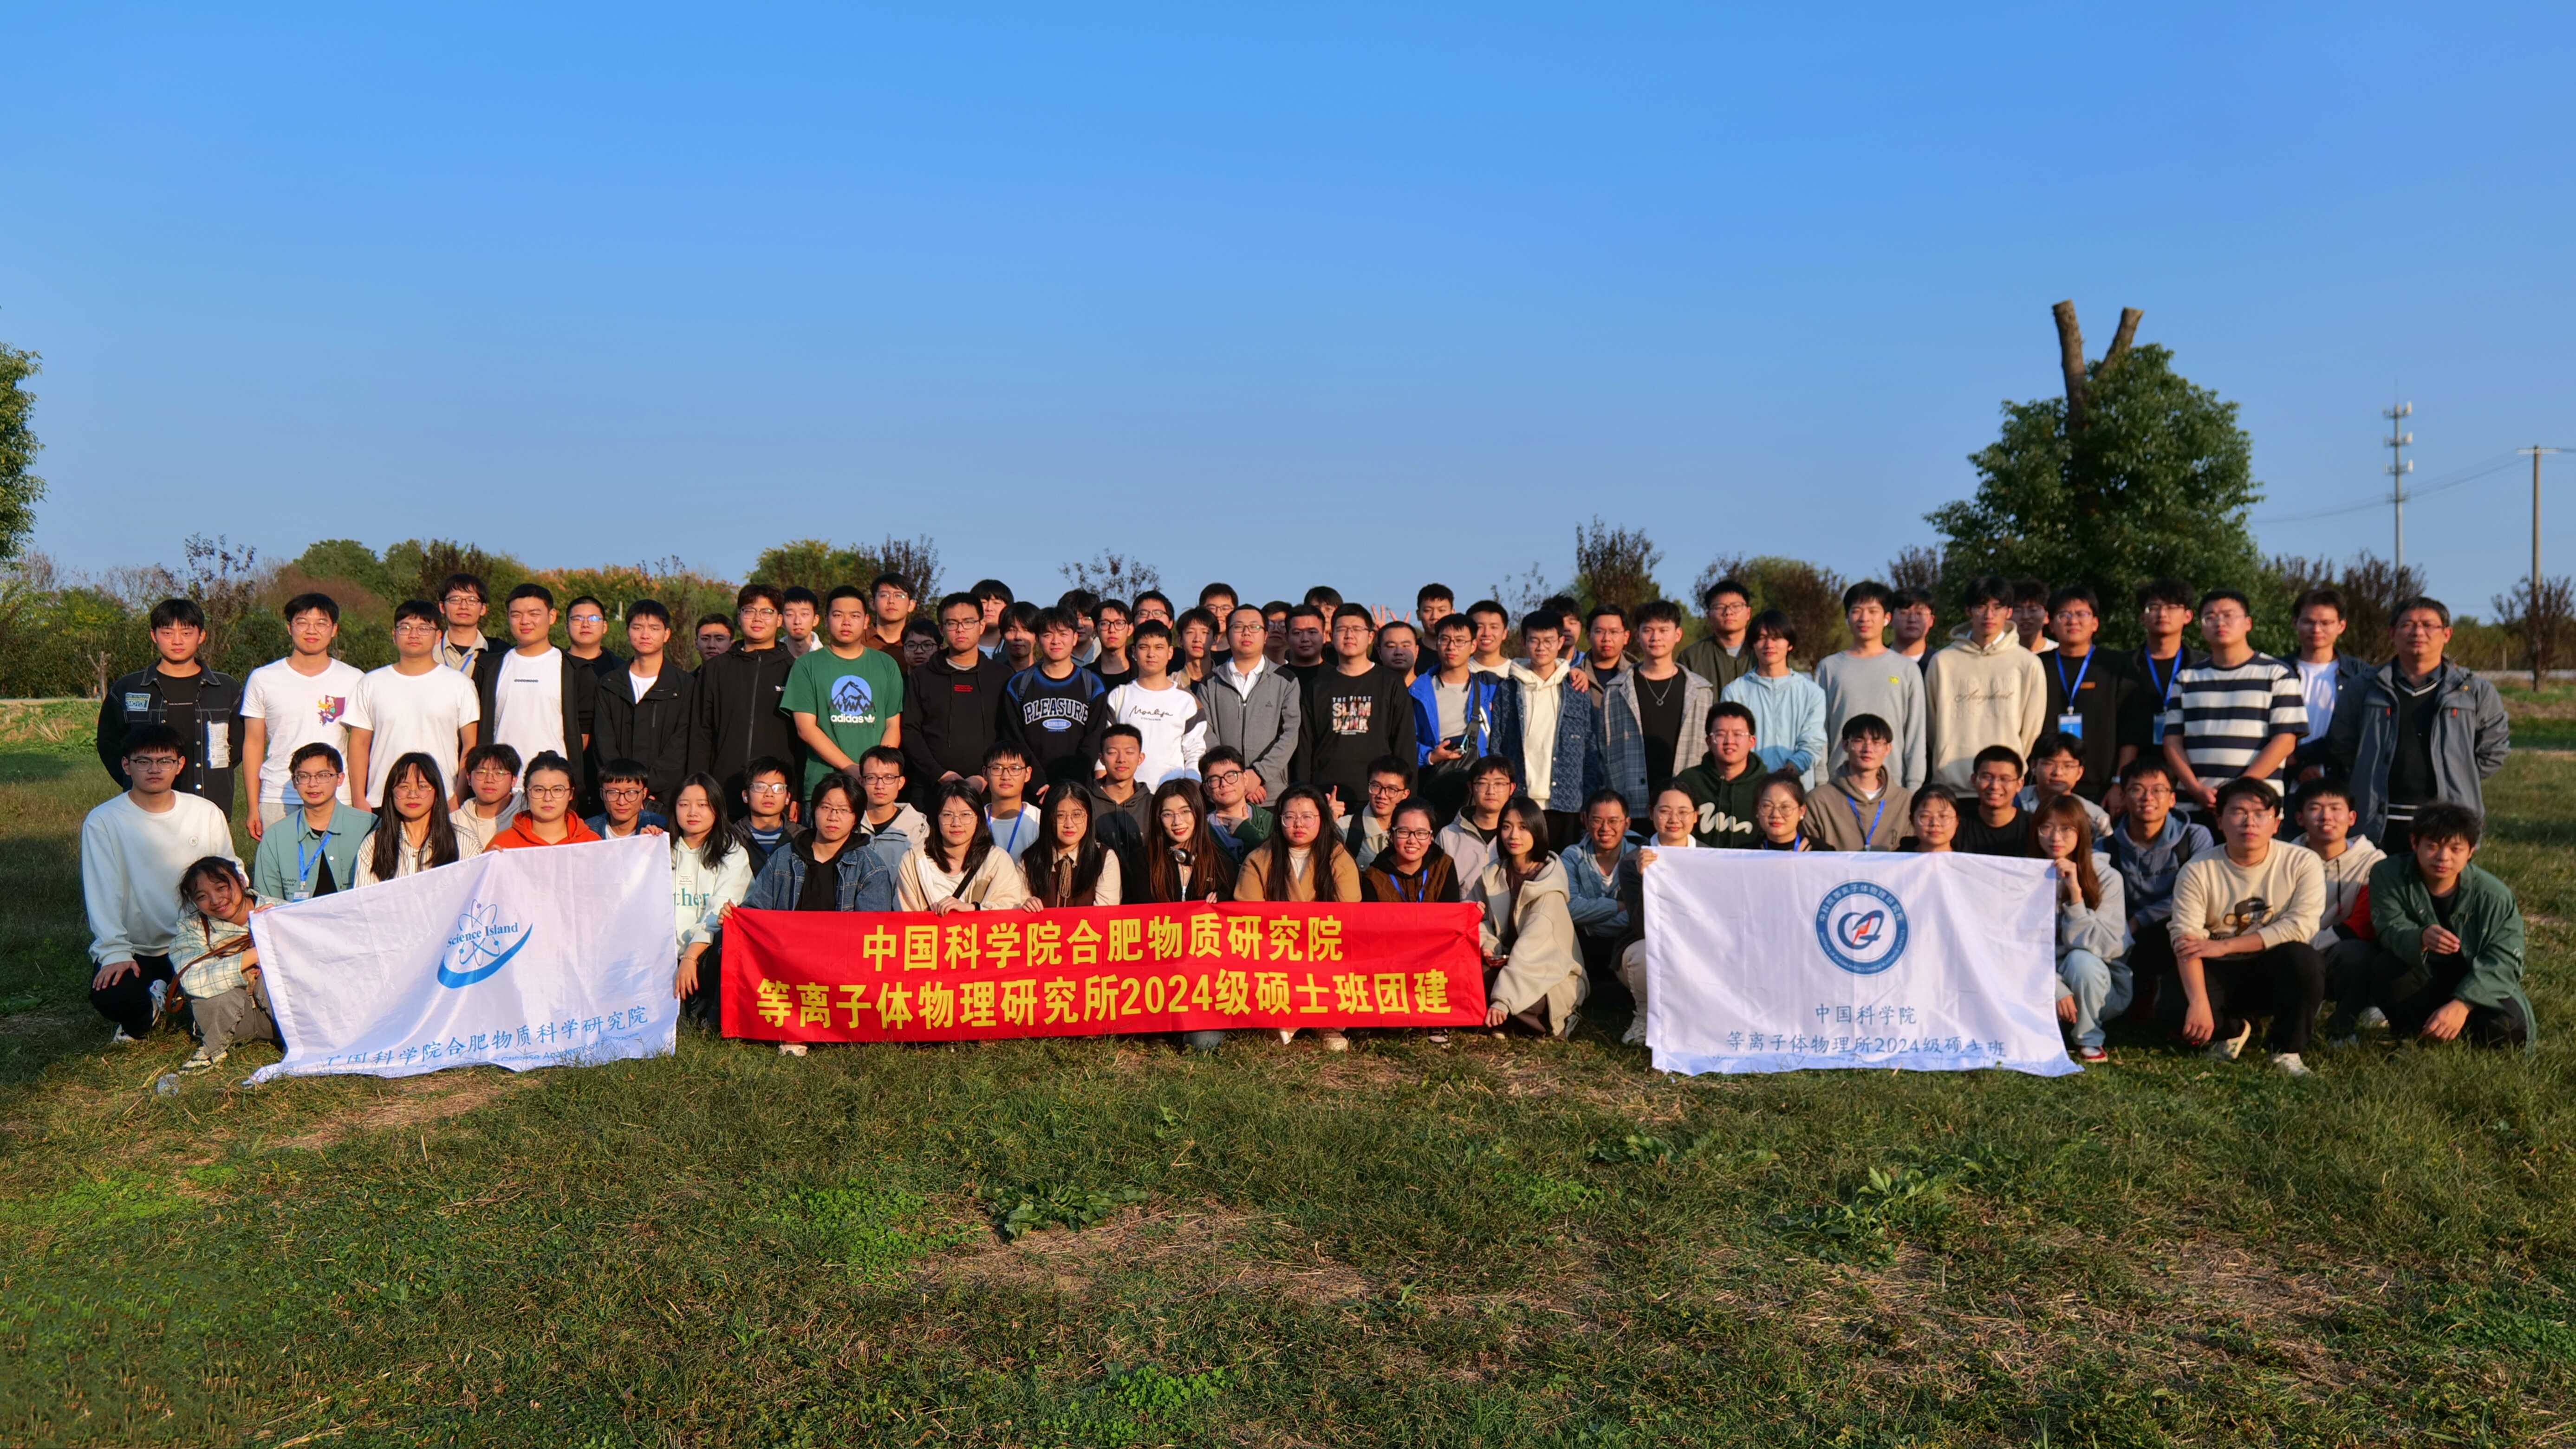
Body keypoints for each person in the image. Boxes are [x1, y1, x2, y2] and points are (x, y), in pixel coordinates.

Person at [83, 724, 238, 1046]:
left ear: (180, 765)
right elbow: (102, 892)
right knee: (112, 994)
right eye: (144, 761)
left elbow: (229, 876)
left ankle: (184, 999)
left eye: (165, 761)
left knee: (230, 989)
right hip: (138, 947)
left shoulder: (205, 813)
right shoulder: (104, 821)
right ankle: (147, 1012)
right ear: (126, 765)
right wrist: (114, 952)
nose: (155, 769)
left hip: (199, 940)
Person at [2339, 801, 2534, 1050]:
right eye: (2432, 846)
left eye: (2455, 849)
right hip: (2422, 976)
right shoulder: (2388, 875)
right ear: (2414, 843)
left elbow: (2505, 959)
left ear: (2471, 851)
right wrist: (2419, 938)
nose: (2443, 857)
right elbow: (2388, 929)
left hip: (2474, 981)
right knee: (2387, 967)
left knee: (2509, 1028)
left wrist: (2463, 1004)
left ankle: (2459, 1031)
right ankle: (2411, 1035)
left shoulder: (2494, 895)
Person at [2327, 596, 2511, 852]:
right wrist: (2369, 771)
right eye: (2408, 625)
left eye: (2428, 625)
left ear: (2447, 634)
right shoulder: (2364, 687)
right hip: (2376, 819)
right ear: (2393, 633)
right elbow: (2342, 744)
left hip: (2447, 818)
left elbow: (2494, 750)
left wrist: (2457, 772)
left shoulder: (2473, 691)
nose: (2418, 632)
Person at [2171, 777, 2328, 1076]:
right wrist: (2198, 1003)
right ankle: (2231, 1031)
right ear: (2219, 820)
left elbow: (2300, 927)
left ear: (2276, 823)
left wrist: (2224, 945)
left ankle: (2286, 1050)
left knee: (2305, 959)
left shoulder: (2302, 862)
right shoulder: (2197, 870)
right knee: (2176, 1003)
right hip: (2219, 968)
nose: (2249, 822)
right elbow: (2185, 938)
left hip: (2272, 966)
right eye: (2238, 812)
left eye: (2260, 814)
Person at [743, 773, 903, 1054]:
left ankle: (816, 1027)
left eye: (843, 810)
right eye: (826, 807)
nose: (833, 817)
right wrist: (738, 919)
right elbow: (757, 911)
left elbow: (871, 935)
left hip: (842, 966)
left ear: (856, 818)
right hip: (789, 963)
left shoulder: (871, 867)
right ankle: (794, 1027)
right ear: (814, 810)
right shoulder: (784, 857)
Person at [1236, 785, 1363, 1050]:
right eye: (1290, 817)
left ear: (1322, 819)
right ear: (1279, 820)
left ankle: (1323, 1022)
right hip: (1276, 951)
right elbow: (1248, 917)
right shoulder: (1259, 859)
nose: (1298, 825)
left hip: (1323, 950)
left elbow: (1350, 914)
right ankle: (1286, 1019)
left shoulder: (1339, 857)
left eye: (1307, 817)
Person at [98, 597, 247, 821]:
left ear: (201, 636)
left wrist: (214, 774)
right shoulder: (129, 688)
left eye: (186, 633)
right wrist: (139, 778)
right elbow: (109, 744)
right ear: (154, 635)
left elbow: (239, 745)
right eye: (167, 633)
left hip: (209, 805)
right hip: (145, 810)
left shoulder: (227, 688)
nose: (177, 641)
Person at [2160, 589, 2305, 814]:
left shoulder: (2277, 674)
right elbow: (2172, 742)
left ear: (2248, 623)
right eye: (2210, 617)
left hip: (2256, 806)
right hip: (2195, 804)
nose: (2220, 623)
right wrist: (2196, 789)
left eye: (2228, 616)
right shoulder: (2187, 678)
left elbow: (2285, 741)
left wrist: (2239, 790)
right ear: (2201, 627)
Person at [241, 592, 369, 841]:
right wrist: (253, 806)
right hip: (279, 795)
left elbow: (360, 744)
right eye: (302, 622)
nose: (312, 630)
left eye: (321, 623)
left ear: (334, 630)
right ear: (289, 628)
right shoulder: (263, 679)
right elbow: (254, 743)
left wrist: (358, 799)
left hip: (337, 796)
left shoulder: (354, 679)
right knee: (281, 864)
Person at [1467, 797, 1588, 1038]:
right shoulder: (1492, 874)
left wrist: (1503, 999)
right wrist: (1488, 944)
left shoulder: (1549, 885)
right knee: (1471, 975)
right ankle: (1508, 1021)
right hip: (1507, 964)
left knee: (1534, 1000)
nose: (1514, 835)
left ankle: (1518, 1017)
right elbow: (1476, 917)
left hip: (1548, 973)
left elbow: (1532, 950)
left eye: (1523, 827)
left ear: (1537, 831)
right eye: (1506, 827)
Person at [349, 600, 482, 812]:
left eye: (424, 628)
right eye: (406, 628)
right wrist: (359, 799)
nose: (414, 635)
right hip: (382, 799)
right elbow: (359, 743)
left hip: (441, 799)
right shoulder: (371, 683)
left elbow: (470, 745)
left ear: (438, 636)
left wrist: (457, 797)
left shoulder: (460, 684)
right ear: (394, 635)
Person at [2107, 759, 2211, 1028]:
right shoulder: (2105, 846)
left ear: (2173, 799)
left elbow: (2199, 895)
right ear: (2123, 796)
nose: (2148, 798)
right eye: (2137, 789)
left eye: (2158, 790)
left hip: (2180, 926)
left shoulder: (2195, 837)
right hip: (2125, 933)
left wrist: (2140, 919)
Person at [474, 584, 597, 803]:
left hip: (553, 791)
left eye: (534, 614)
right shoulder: (488, 667)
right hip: (499, 788)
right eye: (516, 614)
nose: (525, 621)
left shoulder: (577, 670)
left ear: (552, 616)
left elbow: (584, 735)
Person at [785, 585, 907, 799]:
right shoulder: (806, 665)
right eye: (838, 615)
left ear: (866, 621)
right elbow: (806, 729)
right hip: (824, 786)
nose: (846, 622)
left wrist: (875, 772)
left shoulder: (886, 665)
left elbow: (892, 725)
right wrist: (852, 768)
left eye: (855, 616)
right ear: (826, 620)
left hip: (875, 788)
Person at [1925, 575, 2046, 793]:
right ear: (1968, 611)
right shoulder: (1942, 662)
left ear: (2009, 612)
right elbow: (1932, 726)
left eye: (1997, 608)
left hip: (2004, 789)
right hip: (1950, 786)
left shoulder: (2028, 663)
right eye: (1981, 606)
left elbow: (2032, 730)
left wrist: (2009, 770)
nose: (1989, 615)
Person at [2033, 795, 2128, 1064]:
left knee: (2081, 960)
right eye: (2046, 827)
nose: (2056, 837)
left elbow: (2108, 947)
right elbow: (2015, 947)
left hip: (2098, 989)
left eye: (2067, 829)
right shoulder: (2024, 876)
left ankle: (2089, 1038)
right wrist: (2055, 987)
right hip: (2040, 984)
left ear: (2082, 833)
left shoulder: (2108, 878)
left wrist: (2076, 897)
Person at [163, 855, 280, 1072]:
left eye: (221, 888)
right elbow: (193, 980)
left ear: (241, 881)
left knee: (273, 976)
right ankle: (213, 1049)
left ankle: (302, 1040)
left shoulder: (278, 910)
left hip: (282, 1017)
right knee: (210, 991)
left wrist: (279, 930)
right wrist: (255, 955)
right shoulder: (191, 928)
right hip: (229, 1024)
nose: (216, 900)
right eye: (202, 896)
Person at [2036, 585, 2146, 812]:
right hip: (2044, 784)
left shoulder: (2117, 666)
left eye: (2082, 614)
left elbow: (2131, 732)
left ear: (2095, 623)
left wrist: (2119, 783)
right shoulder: (2036, 665)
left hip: (2103, 786)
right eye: (2064, 615)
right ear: (2051, 625)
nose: (2073, 621)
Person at [689, 584, 800, 807]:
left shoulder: (794, 670)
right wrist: (699, 787)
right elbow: (701, 733)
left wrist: (795, 793)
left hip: (775, 792)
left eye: (767, 612)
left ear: (780, 619)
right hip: (722, 789)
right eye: (749, 611)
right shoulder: (716, 669)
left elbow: (800, 741)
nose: (757, 618)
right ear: (739, 617)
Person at [903, 592, 1013, 811]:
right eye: (952, 623)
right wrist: (941, 775)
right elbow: (910, 730)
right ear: (942, 629)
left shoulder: (1002, 676)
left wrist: (985, 777)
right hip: (929, 789)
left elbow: (1009, 733)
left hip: (987, 789)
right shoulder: (922, 676)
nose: (960, 629)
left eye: (968, 622)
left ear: (981, 626)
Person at [1408, 612, 1523, 820]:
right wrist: (1431, 756)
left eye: (1460, 641)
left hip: (1482, 784)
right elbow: (1405, 742)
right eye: (1445, 640)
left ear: (1473, 646)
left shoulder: (1492, 687)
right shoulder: (1419, 691)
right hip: (1435, 783)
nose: (1451, 647)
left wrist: (1575, 672)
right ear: (1437, 644)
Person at [1303, 605, 1418, 812]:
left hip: (1379, 797)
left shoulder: (1390, 683)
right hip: (1327, 797)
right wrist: (1306, 796)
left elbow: (1405, 744)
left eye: (1357, 629)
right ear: (1331, 636)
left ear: (1371, 636)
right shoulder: (1316, 686)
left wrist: (1406, 802)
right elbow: (1305, 747)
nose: (1349, 635)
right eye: (1342, 629)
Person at [1600, 599, 1711, 814]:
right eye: (1648, 630)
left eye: (1663, 630)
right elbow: (1604, 750)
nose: (1655, 637)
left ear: (1678, 634)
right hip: (1630, 805)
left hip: (1684, 808)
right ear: (1637, 635)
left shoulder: (1701, 690)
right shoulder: (1616, 690)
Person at [1814, 582, 1926, 792]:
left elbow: (1916, 734)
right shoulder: (1829, 668)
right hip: (1838, 784)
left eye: (1873, 611)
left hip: (1892, 786)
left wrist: (1914, 787)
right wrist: (1821, 781)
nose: (1864, 618)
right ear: (1847, 618)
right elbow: (1819, 730)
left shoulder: (1906, 669)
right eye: (1857, 611)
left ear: (1887, 618)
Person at [2295, 780, 2386, 1034]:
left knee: (2356, 952)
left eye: (2336, 808)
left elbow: (2362, 924)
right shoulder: (2284, 858)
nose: (2326, 817)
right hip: (2294, 948)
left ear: (2352, 818)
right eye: (2315, 808)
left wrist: (2314, 947)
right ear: (2300, 818)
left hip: (2339, 949)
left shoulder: (2373, 862)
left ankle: (2346, 1023)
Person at [589, 598, 694, 816]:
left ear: (667, 634)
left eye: (654, 628)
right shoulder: (609, 684)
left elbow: (681, 746)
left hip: (665, 799)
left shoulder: (685, 686)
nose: (645, 635)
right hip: (616, 798)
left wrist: (647, 789)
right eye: (638, 627)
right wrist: (626, 790)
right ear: (628, 631)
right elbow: (603, 743)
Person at [1510, 609, 1605, 848]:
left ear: (1561, 642)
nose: (1541, 648)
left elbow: (1590, 748)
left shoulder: (1576, 689)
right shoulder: (1508, 688)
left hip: (1568, 802)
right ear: (1523, 642)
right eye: (1534, 640)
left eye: (1549, 641)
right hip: (1522, 799)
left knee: (1564, 866)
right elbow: (1499, 744)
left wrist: (1589, 799)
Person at [667, 773, 753, 1028]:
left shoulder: (732, 853)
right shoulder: (661, 848)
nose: (692, 812)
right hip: (663, 954)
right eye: (684, 804)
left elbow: (719, 911)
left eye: (703, 805)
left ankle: (709, 1014)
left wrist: (690, 957)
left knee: (727, 936)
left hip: (705, 954)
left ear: (717, 809)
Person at [1616, 791, 1703, 1044]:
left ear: (1696, 816)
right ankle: (1645, 1016)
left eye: (1683, 812)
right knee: (1644, 954)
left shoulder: (1711, 858)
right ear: (1651, 813)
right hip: (1650, 943)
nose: (1674, 819)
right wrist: (1647, 880)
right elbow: (1640, 927)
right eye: (1665, 811)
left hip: (1698, 945)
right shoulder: (1633, 861)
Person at [1196, 605, 1302, 803]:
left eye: (1254, 627)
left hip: (1270, 794)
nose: (1246, 633)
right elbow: (1206, 733)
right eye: (1238, 627)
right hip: (1223, 792)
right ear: (1228, 635)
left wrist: (1258, 775)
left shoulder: (1286, 680)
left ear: (1265, 635)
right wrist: (1232, 778)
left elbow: (1290, 734)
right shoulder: (1210, 683)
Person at [1000, 606, 1111, 793]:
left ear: (1075, 638)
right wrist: (1038, 783)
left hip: (1076, 790)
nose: (1056, 641)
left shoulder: (1093, 684)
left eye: (1063, 634)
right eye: (1048, 634)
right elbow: (1014, 738)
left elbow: (1094, 741)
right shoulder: (1018, 684)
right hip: (1030, 790)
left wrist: (1067, 787)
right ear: (1037, 639)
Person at [250, 743, 374, 901]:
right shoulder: (276, 837)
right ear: (294, 782)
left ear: (340, 779)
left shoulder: (369, 827)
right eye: (304, 776)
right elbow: (268, 901)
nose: (313, 784)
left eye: (323, 776)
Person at [1721, 610, 1828, 788]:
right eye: (1762, 638)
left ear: (1790, 644)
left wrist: (1792, 769)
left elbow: (1813, 742)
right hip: (1747, 789)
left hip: (1796, 789)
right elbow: (1731, 742)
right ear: (1753, 644)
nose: (1769, 644)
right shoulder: (1735, 691)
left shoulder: (1812, 693)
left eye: (1777, 638)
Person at [896, 780, 1034, 912]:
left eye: (966, 815)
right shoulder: (913, 861)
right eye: (948, 815)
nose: (956, 823)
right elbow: (906, 918)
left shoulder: (998, 861)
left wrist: (973, 909)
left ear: (978, 819)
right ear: (936, 818)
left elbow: (1010, 909)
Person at [1106, 620, 1209, 786]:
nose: (1151, 654)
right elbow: (1106, 749)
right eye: (1144, 647)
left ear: (1170, 652)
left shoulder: (1187, 701)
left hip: (1172, 795)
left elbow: (1195, 752)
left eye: (1159, 647)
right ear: (1134, 652)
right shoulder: (1119, 696)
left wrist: (1190, 791)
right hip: (1127, 794)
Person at [2288, 587, 2370, 785]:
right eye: (2308, 622)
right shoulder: (2276, 670)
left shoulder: (2362, 675)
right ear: (2295, 623)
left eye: (2326, 623)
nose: (2316, 630)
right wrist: (2296, 768)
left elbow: (2359, 732)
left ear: (2341, 626)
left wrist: (2302, 757)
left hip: (2342, 782)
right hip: (2284, 782)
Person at [1560, 788, 1638, 994]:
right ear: (1585, 821)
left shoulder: (1640, 856)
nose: (1605, 829)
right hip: (1583, 946)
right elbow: (1569, 909)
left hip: (1625, 943)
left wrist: (1589, 924)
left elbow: (1639, 916)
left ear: (1627, 824)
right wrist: (1619, 906)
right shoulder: (1572, 856)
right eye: (1597, 821)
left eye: (1613, 821)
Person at [356, 753, 472, 884]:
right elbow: (364, 896)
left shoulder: (464, 842)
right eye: (404, 787)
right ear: (391, 792)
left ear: (437, 791)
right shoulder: (373, 845)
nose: (412, 795)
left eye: (422, 787)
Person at [1806, 715, 1913, 852]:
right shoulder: (1819, 800)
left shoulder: (1905, 801)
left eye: (1876, 743)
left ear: (1888, 749)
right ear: (1845, 745)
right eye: (1859, 741)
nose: (1868, 749)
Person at [1668, 703, 1763, 847]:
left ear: (1752, 741)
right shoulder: (1689, 781)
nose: (1729, 741)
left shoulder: (1766, 786)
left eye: (1738, 734)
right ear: (1708, 742)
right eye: (1720, 734)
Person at [1137, 779, 1239, 905]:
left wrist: (1223, 902)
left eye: (1185, 812)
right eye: (1168, 814)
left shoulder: (1222, 864)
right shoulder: (1142, 862)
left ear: (1198, 812)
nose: (1177, 822)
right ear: (1158, 819)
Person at [2132, 578, 2201, 750]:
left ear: (2188, 616)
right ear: (2142, 617)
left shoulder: (2203, 666)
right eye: (2154, 607)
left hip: (2191, 758)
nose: (2162, 614)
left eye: (2172, 607)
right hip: (2138, 760)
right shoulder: (2123, 665)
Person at [1026, 783, 1121, 908]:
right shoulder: (1029, 859)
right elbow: (1018, 907)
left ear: (1089, 817)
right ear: (1048, 818)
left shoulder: (1104, 858)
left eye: (1077, 815)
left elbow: (1105, 914)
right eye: (1060, 816)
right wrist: (1026, 906)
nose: (1069, 824)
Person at [483, 752, 602, 850]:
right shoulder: (504, 844)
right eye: (539, 790)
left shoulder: (591, 843)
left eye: (557, 790)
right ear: (527, 793)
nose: (548, 798)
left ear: (571, 794)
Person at [1361, 797, 1462, 903]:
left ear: (1431, 838)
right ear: (1392, 835)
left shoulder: (1443, 867)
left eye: (1421, 833)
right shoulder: (1374, 876)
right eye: (1404, 832)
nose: (1412, 840)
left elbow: (1452, 912)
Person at [1437, 756, 1519, 885]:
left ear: (1512, 788)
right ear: (1471, 787)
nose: (1491, 791)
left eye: (1499, 784)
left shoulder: (1520, 835)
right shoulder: (1449, 836)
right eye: (1483, 783)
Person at [1090, 725, 1155, 885]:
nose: (1121, 759)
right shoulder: (1085, 803)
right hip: (1097, 891)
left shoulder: (1154, 805)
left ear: (1141, 758)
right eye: (1113, 752)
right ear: (1101, 758)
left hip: (1146, 891)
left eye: (1129, 752)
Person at [2017, 732, 2110, 838]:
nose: (2058, 773)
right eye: (2049, 764)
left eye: (2068, 766)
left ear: (2080, 772)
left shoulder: (2095, 817)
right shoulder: (2013, 801)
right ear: (2034, 766)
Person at [1677, 578, 1754, 692]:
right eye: (1720, 607)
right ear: (1709, 616)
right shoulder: (1691, 657)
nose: (1728, 612)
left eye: (1736, 606)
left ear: (1748, 613)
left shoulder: (1765, 651)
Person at [1197, 746, 1274, 860]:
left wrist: (1247, 832)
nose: (1224, 784)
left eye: (1231, 775)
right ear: (1206, 789)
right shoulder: (1200, 828)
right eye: (1215, 780)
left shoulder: (1268, 821)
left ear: (1245, 778)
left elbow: (1275, 860)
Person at [1954, 745, 2030, 857]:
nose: (1995, 786)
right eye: (1987, 777)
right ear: (1974, 780)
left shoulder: (2034, 827)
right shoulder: (1956, 825)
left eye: (2005, 779)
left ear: (2019, 784)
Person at [449, 744, 523, 854]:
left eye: (499, 773)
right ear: (469, 778)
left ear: (514, 780)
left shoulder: (527, 814)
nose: (489, 780)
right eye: (481, 773)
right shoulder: (454, 822)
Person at [1344, 755, 1414, 868]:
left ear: (1405, 794)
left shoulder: (1417, 831)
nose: (1382, 796)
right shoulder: (1344, 828)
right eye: (1376, 786)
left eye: (1392, 789)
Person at [732, 756, 798, 873]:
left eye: (778, 788)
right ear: (746, 796)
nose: (769, 794)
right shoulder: (731, 837)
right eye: (760, 787)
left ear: (788, 798)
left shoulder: (800, 837)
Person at [854, 746, 927, 851]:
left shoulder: (918, 828)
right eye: (872, 778)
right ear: (861, 782)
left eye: (889, 778)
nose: (880, 786)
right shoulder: (848, 823)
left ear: (901, 783)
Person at [432, 572, 499, 677]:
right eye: (455, 599)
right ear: (442, 607)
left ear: (483, 609)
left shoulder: (499, 654)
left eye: (472, 600)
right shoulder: (427, 650)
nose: (464, 606)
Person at [585, 759, 670, 839]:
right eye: (613, 792)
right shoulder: (587, 829)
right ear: (602, 794)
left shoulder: (663, 827)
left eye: (631, 792)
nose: (622, 802)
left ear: (644, 793)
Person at [564, 595, 627, 677]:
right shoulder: (554, 665)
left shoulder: (621, 670)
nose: (585, 625)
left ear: (605, 627)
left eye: (594, 619)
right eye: (578, 619)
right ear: (567, 627)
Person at [1750, 772, 1814, 851]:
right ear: (1757, 810)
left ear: (1801, 811)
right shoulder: (1745, 854)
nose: (1776, 815)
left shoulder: (1822, 852)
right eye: (1767, 806)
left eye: (1785, 807)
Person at [1281, 603, 1333, 689]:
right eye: (1297, 633)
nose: (1305, 639)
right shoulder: (1276, 678)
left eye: (1312, 632)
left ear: (1324, 636)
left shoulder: (1339, 678)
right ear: (1287, 637)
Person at [1582, 604, 1631, 692]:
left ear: (1626, 637)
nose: (1607, 639)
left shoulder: (1637, 675)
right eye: (1599, 632)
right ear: (1588, 636)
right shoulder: (1574, 676)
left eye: (1614, 632)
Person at [1091, 597, 1136, 688]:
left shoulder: (1143, 675)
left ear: (1130, 630)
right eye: (1105, 624)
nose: (1112, 630)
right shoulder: (1085, 677)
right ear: (1096, 631)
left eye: (1119, 623)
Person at [1889, 589, 1937, 674]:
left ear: (1931, 621)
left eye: (1920, 614)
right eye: (1904, 613)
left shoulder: (1940, 663)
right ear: (1890, 618)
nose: (1912, 620)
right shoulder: (1874, 660)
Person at [1462, 599, 1513, 677]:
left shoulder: (1517, 672)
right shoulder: (1460, 670)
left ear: (1505, 633)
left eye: (1494, 627)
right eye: (1480, 627)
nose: (1487, 633)